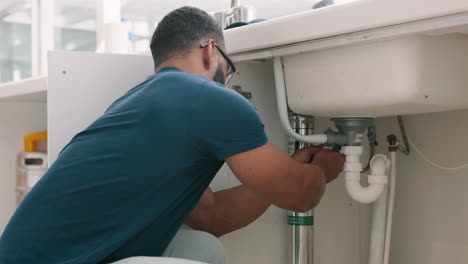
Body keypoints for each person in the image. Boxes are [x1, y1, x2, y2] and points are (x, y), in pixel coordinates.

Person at [0, 6, 344, 264]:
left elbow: (212, 217)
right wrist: (321, 173)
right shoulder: (211, 99)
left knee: (201, 248)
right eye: (230, 67)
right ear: (211, 50)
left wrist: (286, 169)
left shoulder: (140, 105)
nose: (228, 78)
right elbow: (300, 195)